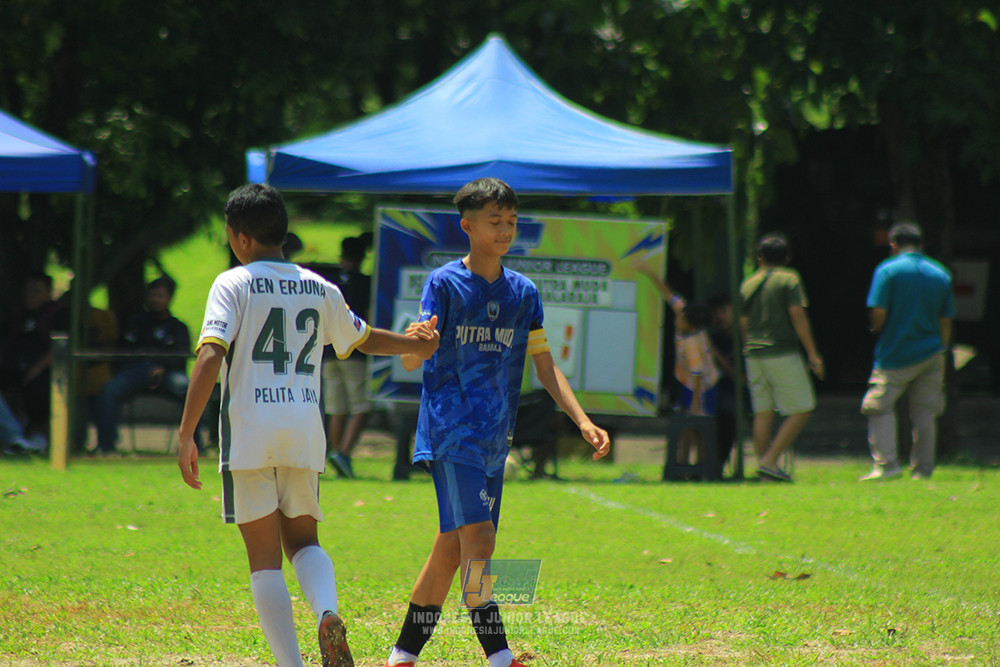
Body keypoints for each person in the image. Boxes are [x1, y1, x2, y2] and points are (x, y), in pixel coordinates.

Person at [176, 183, 439, 667]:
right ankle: (327, 611)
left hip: (251, 431)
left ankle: (291, 664)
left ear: (239, 238)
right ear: (284, 231)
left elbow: (212, 352)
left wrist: (186, 429)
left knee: (264, 560)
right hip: (303, 429)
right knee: (304, 541)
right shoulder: (320, 286)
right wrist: (414, 346)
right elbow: (360, 340)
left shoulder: (232, 283)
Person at [384, 178, 611, 667]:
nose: (506, 229)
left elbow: (544, 365)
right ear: (467, 226)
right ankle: (501, 657)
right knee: (481, 542)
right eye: (495, 221)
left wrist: (582, 419)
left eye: (511, 221)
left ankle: (402, 655)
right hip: (449, 433)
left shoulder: (523, 293)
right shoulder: (444, 284)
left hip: (494, 439)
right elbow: (413, 357)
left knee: (451, 550)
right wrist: (414, 341)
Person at [860, 222, 955, 481]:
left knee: (877, 405)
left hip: (895, 353)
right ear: (921, 244)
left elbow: (878, 312)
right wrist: (942, 350)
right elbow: (946, 320)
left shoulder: (887, 271)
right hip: (932, 351)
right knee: (925, 413)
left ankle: (887, 465)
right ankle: (923, 470)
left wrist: (877, 329)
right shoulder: (941, 273)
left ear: (893, 244)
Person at [739, 233, 824, 482]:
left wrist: (748, 348)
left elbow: (743, 322)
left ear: (759, 257)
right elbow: (797, 315)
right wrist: (812, 353)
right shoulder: (789, 278)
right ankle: (769, 461)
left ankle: (766, 470)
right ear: (787, 257)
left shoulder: (748, 282)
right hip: (782, 351)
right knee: (803, 407)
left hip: (753, 353)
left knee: (762, 413)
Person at [94, 276, 195, 455]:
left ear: (170, 298)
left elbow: (181, 356)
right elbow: (124, 351)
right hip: (136, 372)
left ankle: (196, 445)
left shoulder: (178, 327)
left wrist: (161, 367)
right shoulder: (135, 322)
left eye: (160, 296)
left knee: (192, 390)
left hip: (169, 374)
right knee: (109, 390)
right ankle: (107, 445)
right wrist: (146, 368)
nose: (154, 299)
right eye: (152, 295)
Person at [636, 265, 720, 464]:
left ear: (691, 325)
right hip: (688, 382)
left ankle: (701, 467)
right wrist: (649, 272)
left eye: (681, 318)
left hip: (702, 387)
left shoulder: (693, 342)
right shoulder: (686, 318)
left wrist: (695, 404)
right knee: (686, 428)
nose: (677, 319)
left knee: (697, 427)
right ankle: (682, 466)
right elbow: (670, 296)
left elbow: (698, 373)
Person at [323, 236, 373, 479]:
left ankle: (335, 451)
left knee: (336, 406)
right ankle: (343, 452)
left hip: (328, 352)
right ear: (363, 257)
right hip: (355, 351)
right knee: (361, 405)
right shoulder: (365, 283)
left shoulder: (328, 282)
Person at [0, 273, 63, 445]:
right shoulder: (18, 314)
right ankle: (14, 436)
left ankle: (35, 437)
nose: (30, 295)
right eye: (28, 290)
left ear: (48, 293)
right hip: (14, 368)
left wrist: (35, 369)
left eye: (36, 291)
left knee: (37, 392)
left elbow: (60, 349)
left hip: (45, 371)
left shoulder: (57, 314)